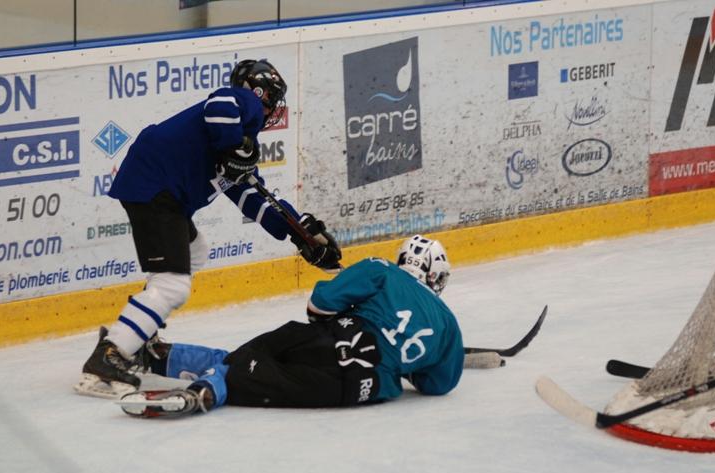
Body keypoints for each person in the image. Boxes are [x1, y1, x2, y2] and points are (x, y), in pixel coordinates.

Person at [76, 59, 342, 399]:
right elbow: (221, 100)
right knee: (173, 286)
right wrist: (232, 146)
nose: (273, 109)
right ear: (260, 94)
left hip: (156, 187)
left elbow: (251, 196)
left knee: (195, 250)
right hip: (155, 187)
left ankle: (137, 334)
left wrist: (298, 230)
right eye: (272, 99)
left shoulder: (241, 141)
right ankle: (108, 356)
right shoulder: (240, 107)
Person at [114, 234, 465, 418]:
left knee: (244, 360)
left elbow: (319, 303)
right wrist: (405, 366)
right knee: (252, 369)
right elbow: (439, 384)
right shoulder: (449, 325)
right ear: (436, 276)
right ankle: (163, 359)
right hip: (361, 389)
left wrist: (335, 323)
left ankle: (200, 390)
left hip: (332, 339)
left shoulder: (381, 269)